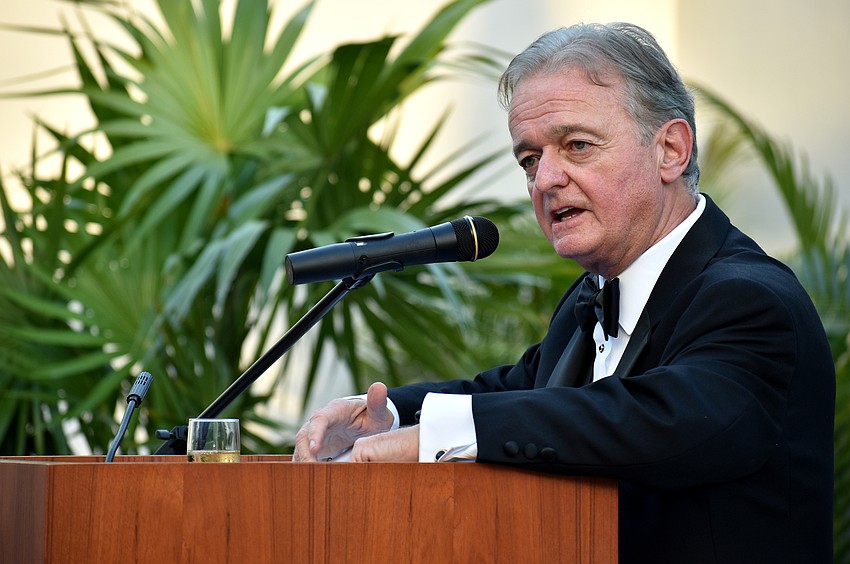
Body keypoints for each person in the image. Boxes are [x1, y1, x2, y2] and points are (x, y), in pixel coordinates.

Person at [293, 22, 835, 563]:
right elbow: (520, 391)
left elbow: (649, 422)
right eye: (529, 160)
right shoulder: (590, 296)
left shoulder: (751, 300)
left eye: (577, 145)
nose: (546, 178)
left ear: (670, 149)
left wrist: (444, 434)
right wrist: (390, 417)